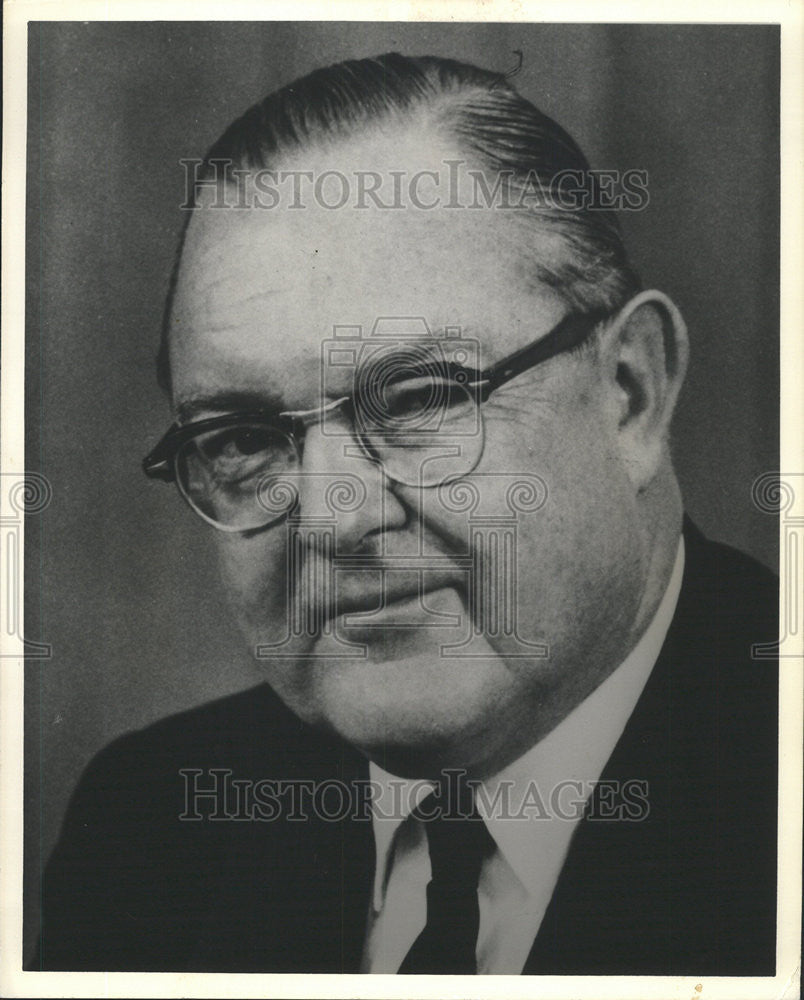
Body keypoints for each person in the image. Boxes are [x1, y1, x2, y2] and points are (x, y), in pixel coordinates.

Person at [31, 53, 778, 975]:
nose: (335, 520)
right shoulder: (148, 832)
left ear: (630, 392)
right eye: (244, 436)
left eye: (419, 399)